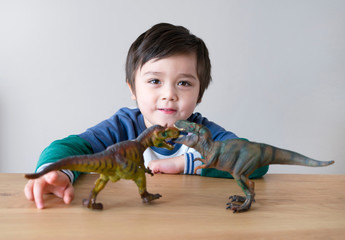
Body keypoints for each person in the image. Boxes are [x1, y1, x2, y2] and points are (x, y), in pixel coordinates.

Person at [24, 23, 268, 209]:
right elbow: (67, 147)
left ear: (200, 94)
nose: (169, 94)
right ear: (133, 89)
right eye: (154, 81)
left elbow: (256, 161)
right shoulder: (121, 127)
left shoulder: (203, 134)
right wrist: (54, 173)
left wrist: (188, 164)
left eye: (183, 83)